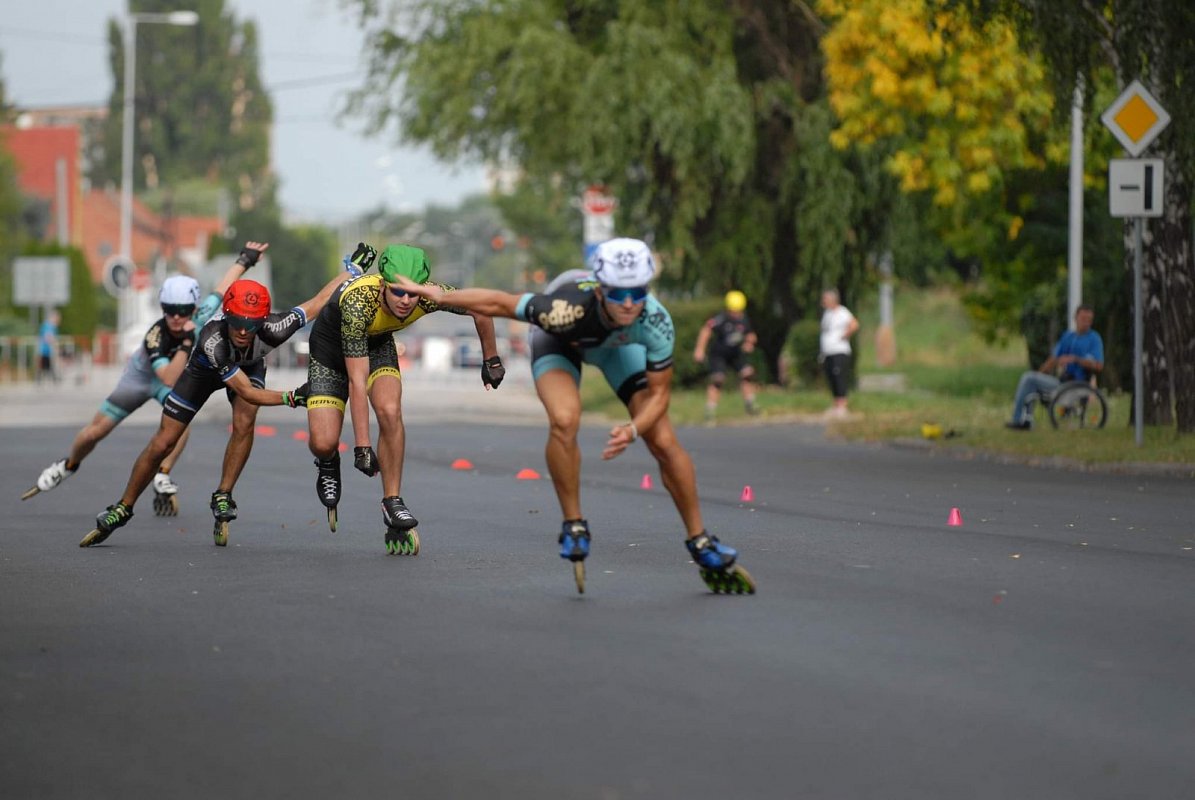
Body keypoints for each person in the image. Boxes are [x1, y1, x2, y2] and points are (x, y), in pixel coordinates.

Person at [390, 237, 755, 595]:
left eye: (638, 293)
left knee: (661, 438)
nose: (629, 304)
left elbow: (660, 396)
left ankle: (700, 539)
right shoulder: (564, 307)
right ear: (600, 290)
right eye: (618, 294)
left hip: (616, 350)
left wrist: (633, 429)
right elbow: (499, 302)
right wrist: (440, 296)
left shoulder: (655, 320)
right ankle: (574, 523)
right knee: (565, 420)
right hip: (559, 342)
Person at [80, 249, 362, 548]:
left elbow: (318, 301)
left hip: (249, 366)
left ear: (264, 321)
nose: (243, 331)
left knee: (245, 419)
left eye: (251, 325)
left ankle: (224, 493)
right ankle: (123, 506)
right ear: (227, 315)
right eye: (236, 322)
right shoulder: (213, 340)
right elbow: (246, 391)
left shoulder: (276, 327)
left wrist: (352, 271)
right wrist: (291, 397)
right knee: (164, 442)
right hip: (204, 371)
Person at [22, 244, 267, 513]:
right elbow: (168, 377)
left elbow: (222, 287)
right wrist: (187, 341)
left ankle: (162, 474)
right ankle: (68, 464)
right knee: (95, 431)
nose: (176, 317)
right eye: (170, 310)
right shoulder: (155, 336)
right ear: (162, 308)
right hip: (141, 380)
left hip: (169, 382)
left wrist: (246, 259)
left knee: (179, 425)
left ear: (193, 307)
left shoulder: (201, 315)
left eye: (183, 310)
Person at [304, 243, 504, 552]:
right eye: (398, 292)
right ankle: (328, 460)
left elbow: (480, 308)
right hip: (330, 351)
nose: (406, 301)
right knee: (323, 441)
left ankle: (392, 501)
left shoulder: (430, 295)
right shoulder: (359, 302)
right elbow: (357, 381)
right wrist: (362, 447)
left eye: (412, 293)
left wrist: (491, 359)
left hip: (377, 345)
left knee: (389, 410)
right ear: (383, 285)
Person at [1006, 304, 1104, 430]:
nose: (1086, 323)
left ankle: (1018, 419)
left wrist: (1076, 359)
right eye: (1083, 319)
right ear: (1076, 318)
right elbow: (1054, 358)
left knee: (1028, 378)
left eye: (1089, 320)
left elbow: (1099, 365)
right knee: (1030, 379)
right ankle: (1024, 420)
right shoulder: (1068, 337)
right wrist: (1040, 373)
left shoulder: (1094, 339)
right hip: (1062, 382)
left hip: (1078, 385)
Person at [693, 289, 759, 422]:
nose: (737, 314)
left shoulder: (743, 319)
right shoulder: (721, 318)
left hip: (736, 353)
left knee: (747, 374)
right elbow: (706, 330)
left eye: (739, 311)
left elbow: (751, 335)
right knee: (718, 380)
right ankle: (710, 410)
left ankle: (750, 404)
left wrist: (749, 343)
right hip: (719, 354)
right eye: (734, 311)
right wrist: (699, 349)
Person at [819, 289, 859, 418]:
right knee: (831, 378)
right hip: (828, 352)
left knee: (839, 377)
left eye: (825, 299)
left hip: (839, 351)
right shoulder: (827, 314)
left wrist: (844, 335)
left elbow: (854, 324)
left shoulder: (842, 312)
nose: (823, 301)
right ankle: (836, 405)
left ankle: (843, 406)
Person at [36, 310, 60, 384]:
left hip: (46, 349)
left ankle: (52, 379)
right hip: (45, 349)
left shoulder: (49, 326)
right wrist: (54, 343)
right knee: (45, 365)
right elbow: (48, 337)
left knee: (47, 365)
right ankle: (45, 379)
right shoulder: (49, 326)